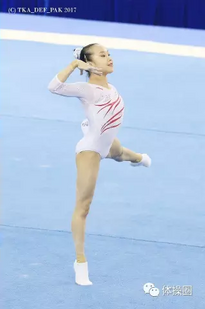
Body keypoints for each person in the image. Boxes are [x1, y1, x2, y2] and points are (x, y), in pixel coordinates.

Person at [48, 43, 151, 286]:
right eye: (103, 55)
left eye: (109, 54)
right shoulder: (88, 89)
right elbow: (54, 86)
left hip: (106, 142)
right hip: (91, 149)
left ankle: (137, 159)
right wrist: (75, 64)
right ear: (91, 63)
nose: (109, 58)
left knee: (121, 153)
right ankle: (80, 262)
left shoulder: (110, 87)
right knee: (84, 206)